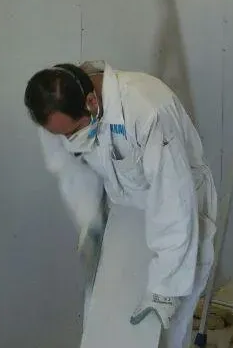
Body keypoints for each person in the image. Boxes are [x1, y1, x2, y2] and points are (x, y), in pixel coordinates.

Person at [25, 61, 217, 348]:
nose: (69, 140)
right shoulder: (55, 111)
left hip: (180, 213)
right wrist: (91, 223)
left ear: (92, 102)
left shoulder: (147, 110)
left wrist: (165, 285)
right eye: (61, 135)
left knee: (166, 322)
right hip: (125, 212)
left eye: (73, 132)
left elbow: (173, 198)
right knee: (108, 316)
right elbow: (70, 171)